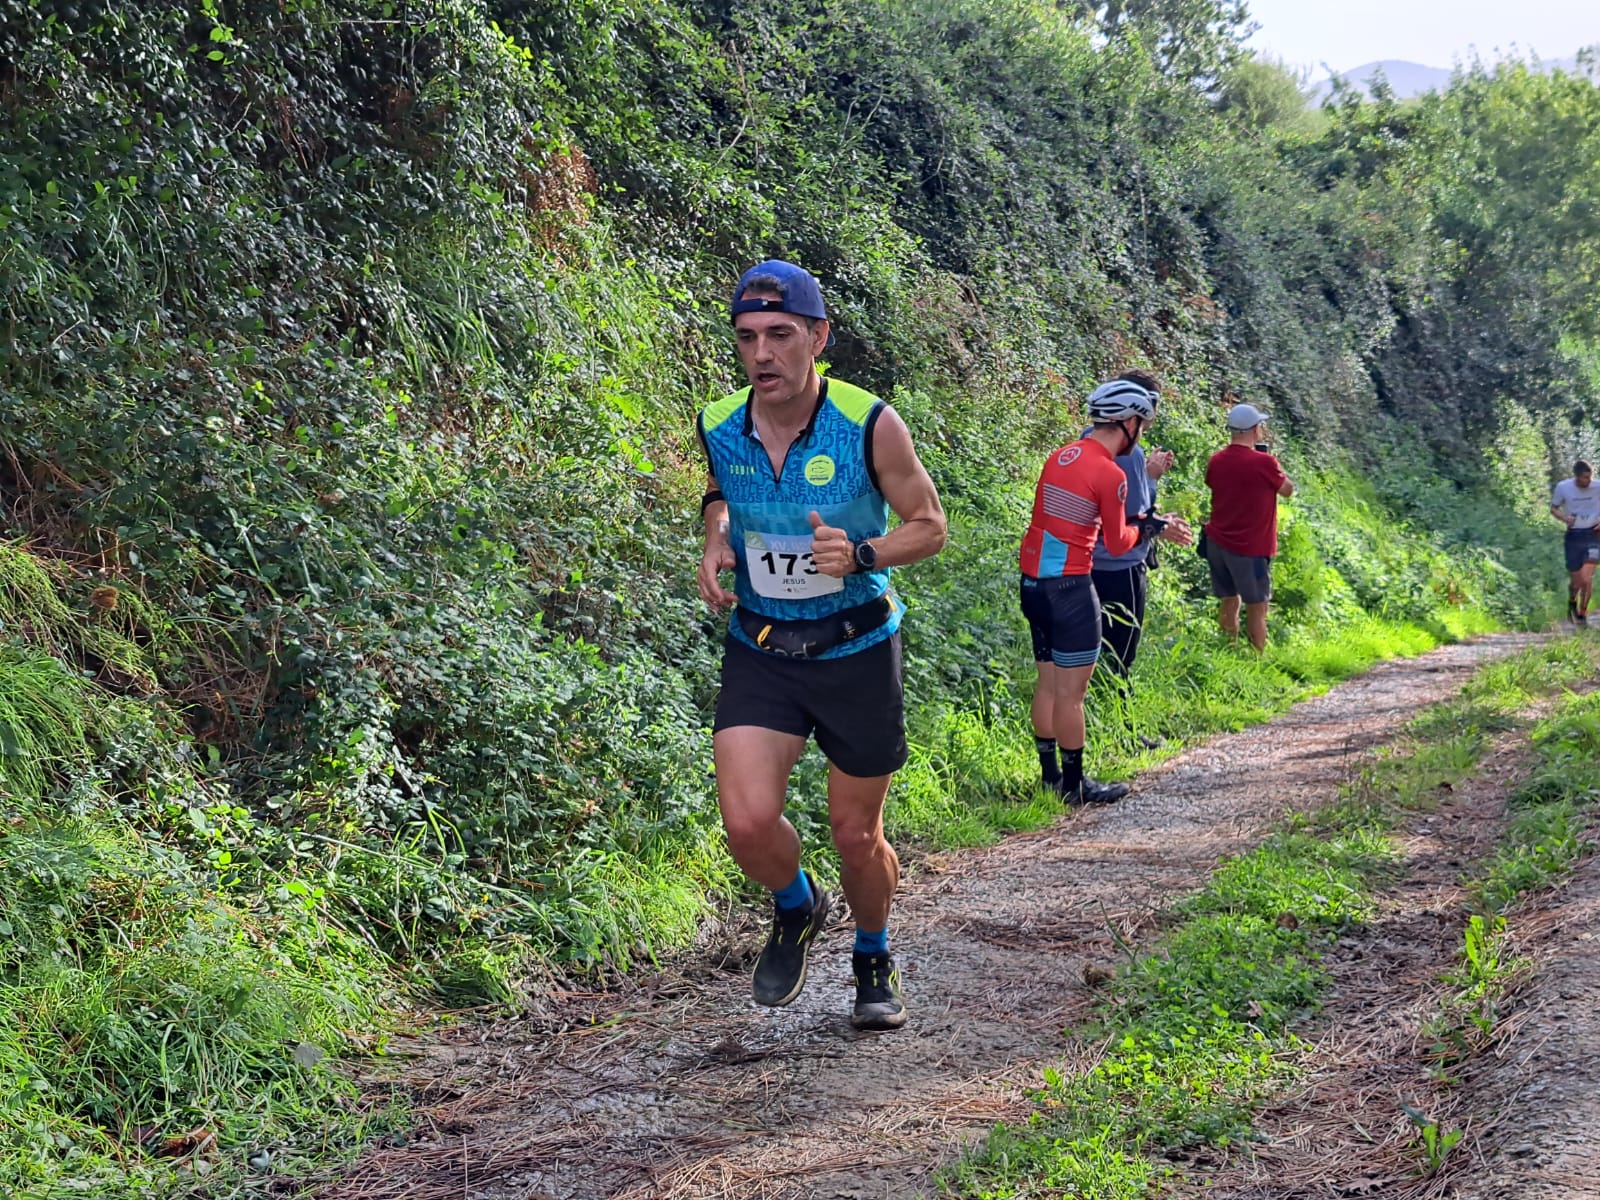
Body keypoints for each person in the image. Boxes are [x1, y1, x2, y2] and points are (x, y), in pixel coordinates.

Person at [696, 260, 947, 1032]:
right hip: (764, 645)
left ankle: (872, 951)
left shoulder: (870, 422)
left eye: (780, 335)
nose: (762, 354)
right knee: (745, 822)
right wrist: (714, 534)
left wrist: (863, 555)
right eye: (747, 338)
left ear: (817, 337)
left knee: (854, 833)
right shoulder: (717, 421)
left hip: (858, 648)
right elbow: (720, 486)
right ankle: (797, 906)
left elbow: (930, 526)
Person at [1020, 379, 1168, 803]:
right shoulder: (1110, 472)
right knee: (1072, 694)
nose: (1141, 433)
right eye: (1141, 424)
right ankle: (1075, 785)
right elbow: (1120, 542)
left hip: (1032, 582)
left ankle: (1049, 777)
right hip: (1071, 586)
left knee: (1047, 684)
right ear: (1128, 422)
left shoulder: (1059, 456)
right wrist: (1147, 526)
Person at [1086, 370, 1193, 715]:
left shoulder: (1089, 438)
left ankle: (1104, 721)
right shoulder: (1130, 454)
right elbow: (1137, 516)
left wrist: (1149, 477)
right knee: (1122, 650)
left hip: (1089, 560)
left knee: (1096, 647)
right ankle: (1122, 726)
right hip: (1121, 564)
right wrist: (1163, 522)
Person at [1202, 402, 1294, 651]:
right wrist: (1274, 465)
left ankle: (1227, 650)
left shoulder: (1216, 460)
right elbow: (1287, 490)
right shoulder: (1264, 463)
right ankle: (1257, 660)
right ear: (1254, 430)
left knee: (1229, 601)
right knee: (1257, 606)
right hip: (1250, 546)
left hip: (1217, 542)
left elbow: (1213, 483)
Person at [1550, 459, 1600, 625]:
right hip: (1574, 535)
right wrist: (1565, 518)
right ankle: (1572, 600)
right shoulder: (1563, 487)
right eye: (1583, 478)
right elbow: (1554, 508)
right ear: (1576, 477)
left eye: (1589, 477)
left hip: (1594, 534)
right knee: (1577, 580)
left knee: (1587, 577)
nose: (1587, 481)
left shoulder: (1598, 486)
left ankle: (1582, 614)